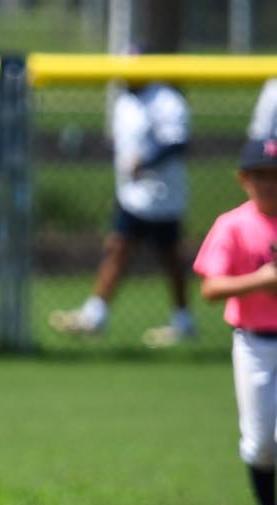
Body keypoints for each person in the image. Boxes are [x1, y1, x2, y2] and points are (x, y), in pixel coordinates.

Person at [49, 78, 194, 348]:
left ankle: (183, 321)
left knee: (170, 258)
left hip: (162, 194)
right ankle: (95, 315)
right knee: (117, 247)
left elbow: (178, 142)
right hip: (131, 195)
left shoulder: (166, 99)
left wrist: (148, 162)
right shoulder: (124, 101)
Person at [190, 137, 277, 505]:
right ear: (244, 180)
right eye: (261, 177)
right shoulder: (234, 225)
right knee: (261, 444)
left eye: (275, 177)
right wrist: (262, 280)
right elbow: (210, 288)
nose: (270, 185)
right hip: (254, 344)